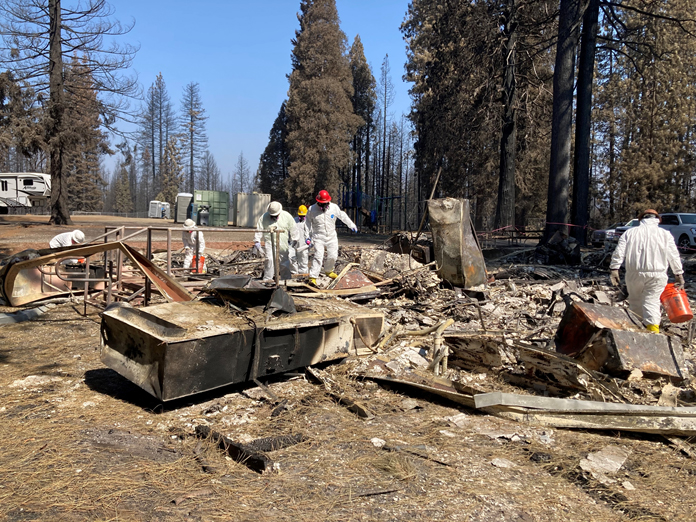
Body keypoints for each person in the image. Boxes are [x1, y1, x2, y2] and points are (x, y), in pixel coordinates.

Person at [610, 208, 685, 333]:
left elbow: (619, 252)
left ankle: (637, 331)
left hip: (634, 274)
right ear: (657, 220)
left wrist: (614, 268)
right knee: (652, 302)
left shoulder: (630, 233)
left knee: (635, 302)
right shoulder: (665, 234)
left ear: (641, 219)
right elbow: (673, 256)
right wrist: (678, 274)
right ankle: (653, 333)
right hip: (658, 274)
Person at [306, 189, 357, 286]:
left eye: (325, 203)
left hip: (331, 236)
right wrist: (307, 236)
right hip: (318, 236)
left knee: (333, 255)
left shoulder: (334, 207)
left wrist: (351, 225)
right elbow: (307, 223)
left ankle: (328, 270)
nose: (324, 205)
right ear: (318, 202)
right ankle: (313, 277)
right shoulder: (312, 209)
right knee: (318, 256)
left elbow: (343, 216)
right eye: (322, 204)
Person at [254, 201, 298, 281]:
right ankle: (268, 279)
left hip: (283, 242)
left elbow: (293, 227)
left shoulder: (286, 216)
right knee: (269, 259)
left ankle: (286, 280)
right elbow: (259, 228)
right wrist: (257, 240)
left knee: (284, 262)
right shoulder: (264, 217)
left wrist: (294, 238)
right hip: (270, 242)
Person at [290, 205, 310, 275]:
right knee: (292, 259)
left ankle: (303, 276)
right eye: (300, 216)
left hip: (303, 245)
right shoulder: (294, 220)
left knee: (303, 261)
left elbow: (312, 232)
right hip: (294, 244)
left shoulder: (308, 222)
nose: (301, 217)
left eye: (303, 216)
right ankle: (294, 274)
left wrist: (310, 240)